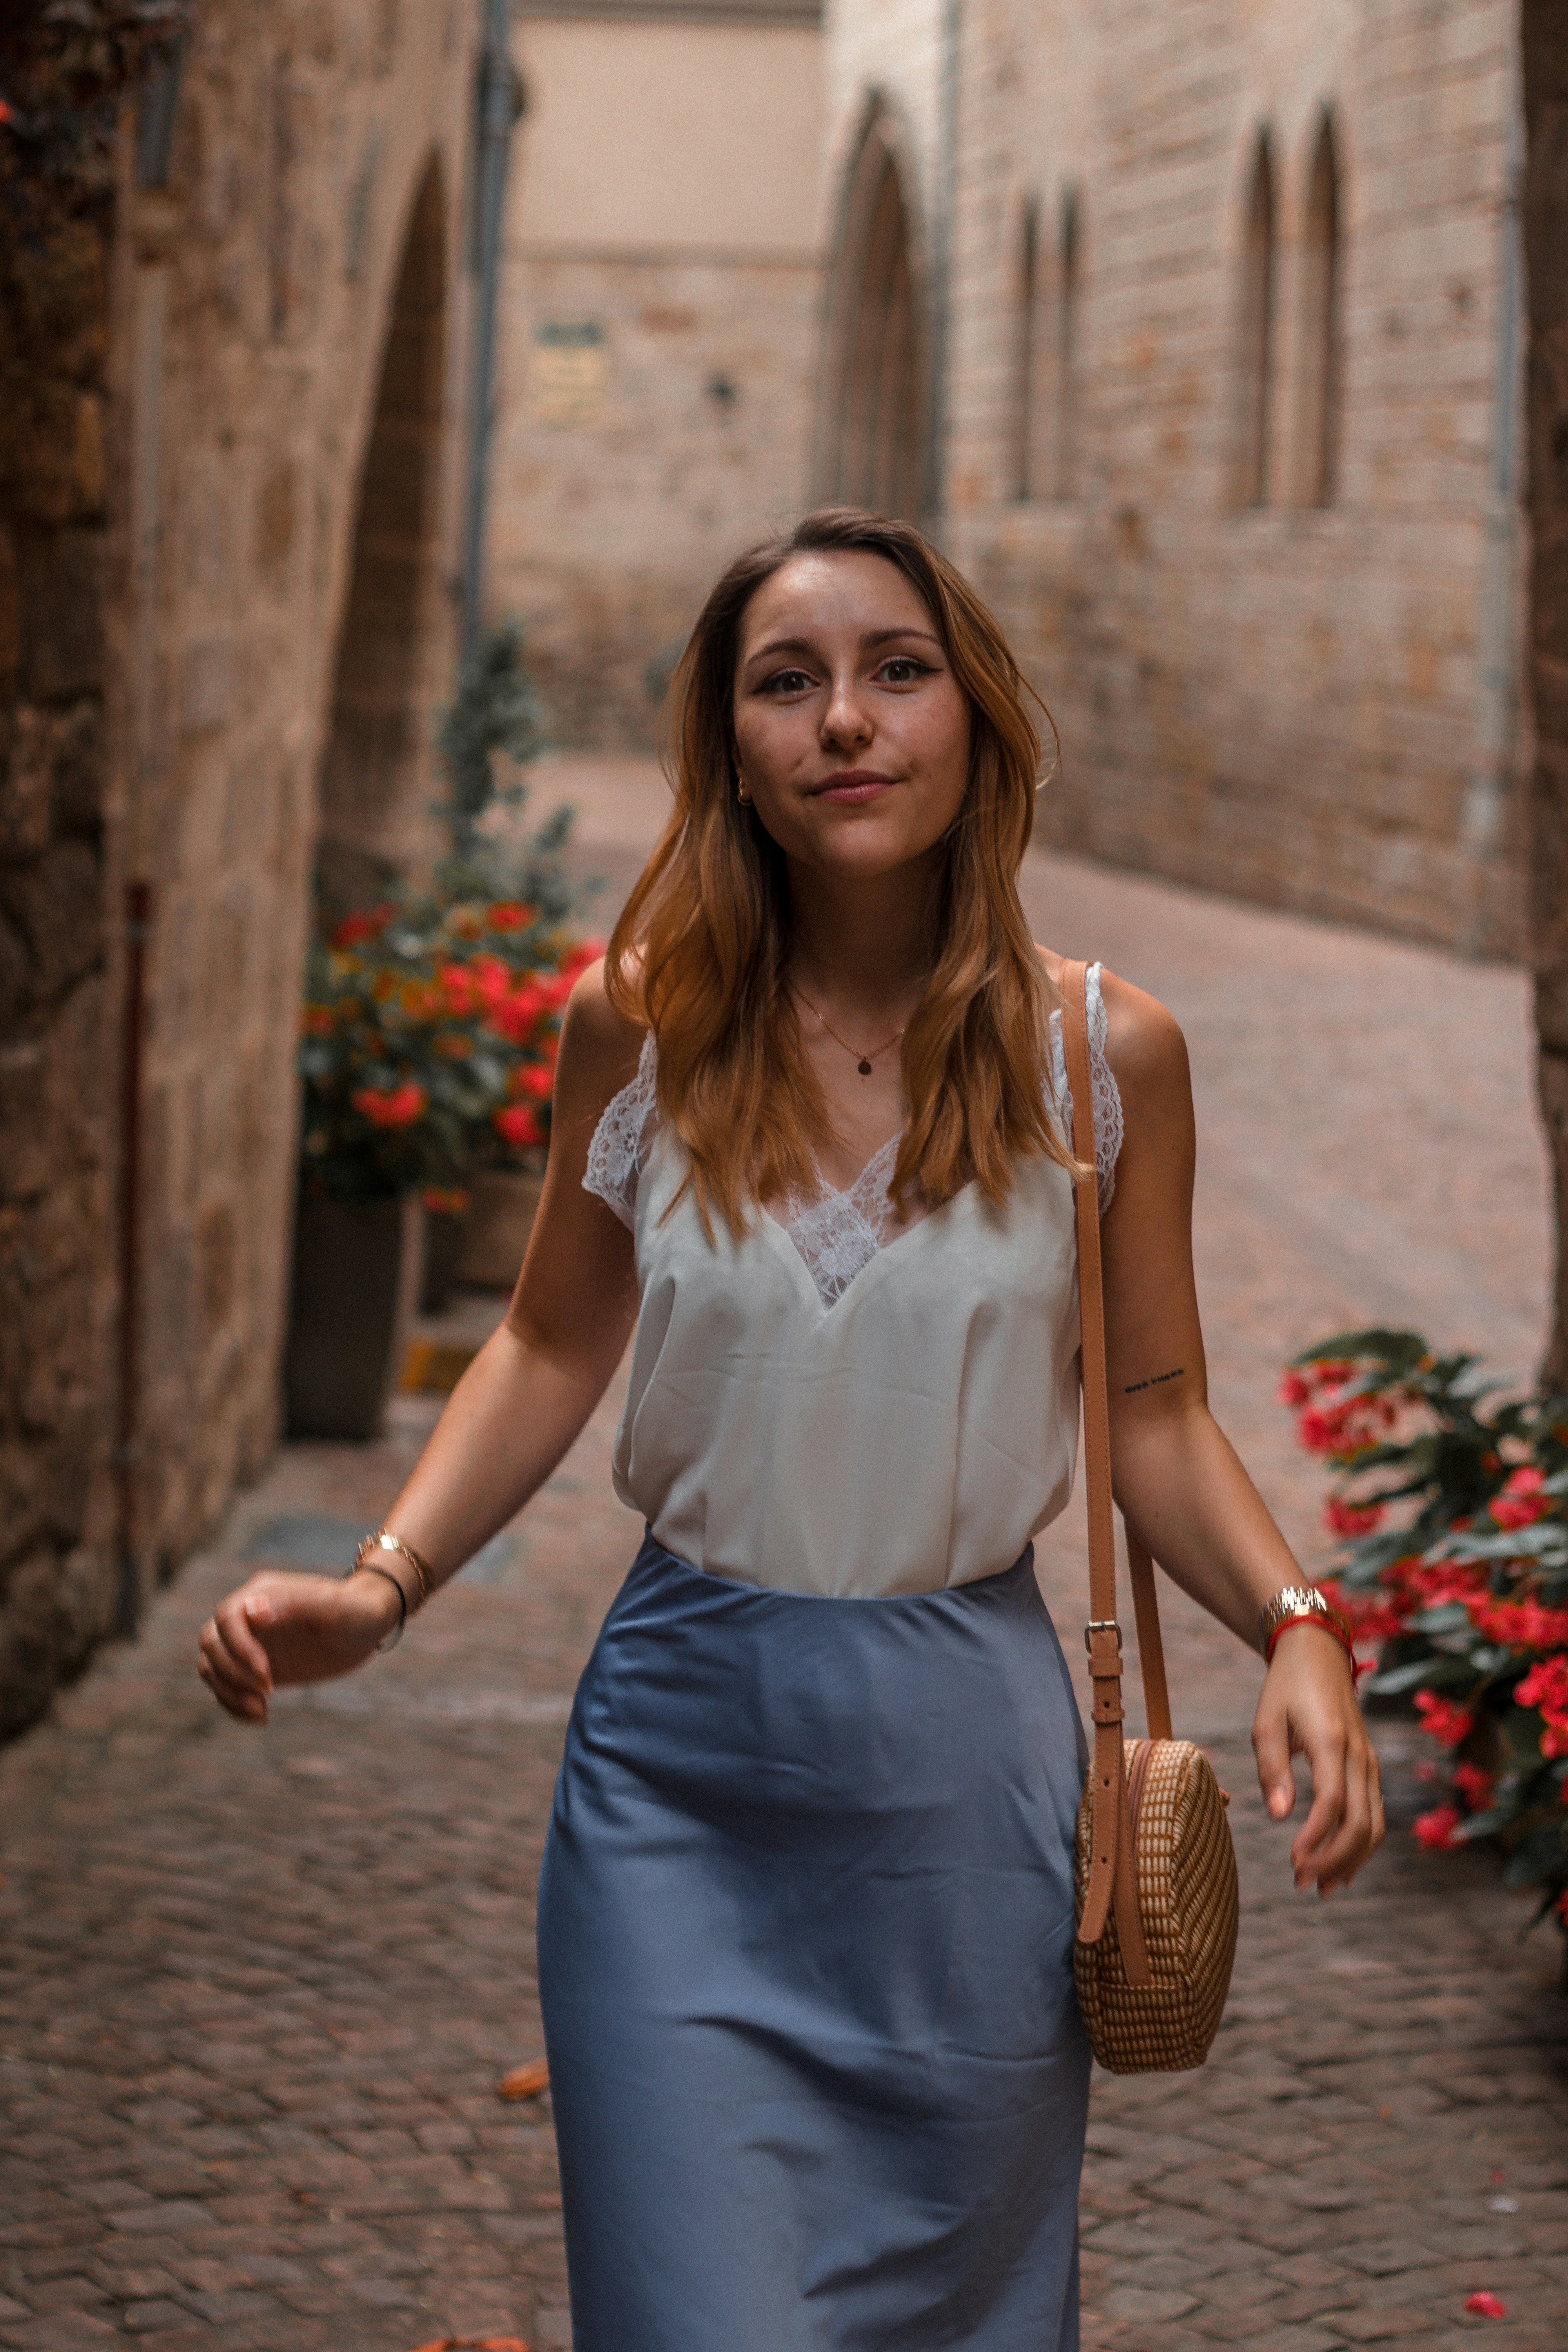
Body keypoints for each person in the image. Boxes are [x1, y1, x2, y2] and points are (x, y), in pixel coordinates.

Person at [199, 508, 1384, 2350]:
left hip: (974, 1796)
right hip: (680, 1771)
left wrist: (1298, 1630)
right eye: (789, 682)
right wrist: (381, 1586)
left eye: (896, 671)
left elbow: (1151, 1416)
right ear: (733, 753)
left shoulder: (1102, 1056)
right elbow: (541, 1343)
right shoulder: (642, 1030)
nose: (846, 718)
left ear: (972, 721)